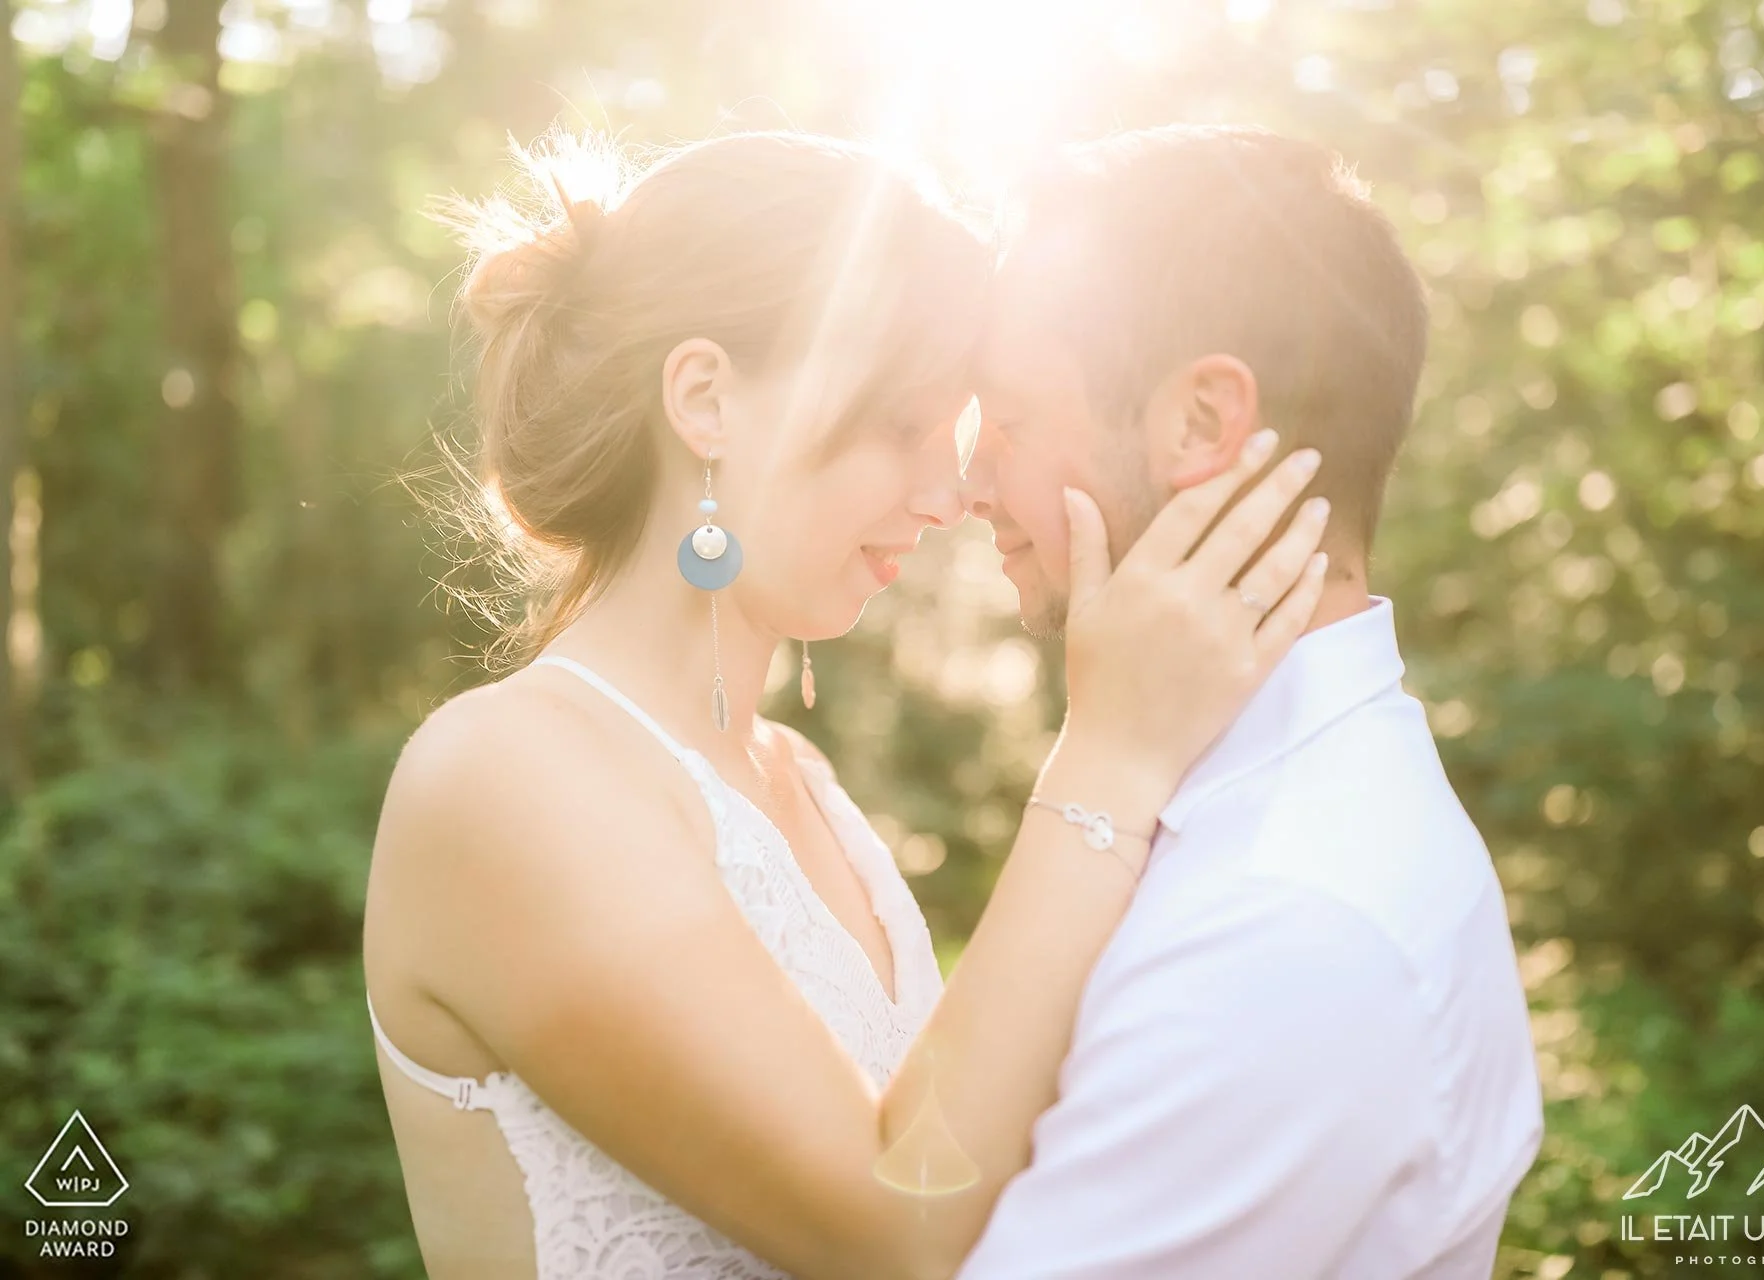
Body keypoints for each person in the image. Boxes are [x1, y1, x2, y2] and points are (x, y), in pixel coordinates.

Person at [363, 127, 1331, 1280]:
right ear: (708, 398)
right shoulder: (503, 778)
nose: (950, 493)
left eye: (962, 436)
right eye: (903, 426)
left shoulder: (805, 786)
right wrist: (1110, 753)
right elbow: (897, 1223)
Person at [952, 124, 1545, 1278]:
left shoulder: (1288, 923)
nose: (971, 485)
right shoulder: (1240, 810)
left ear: (1201, 424)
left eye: (1010, 420)